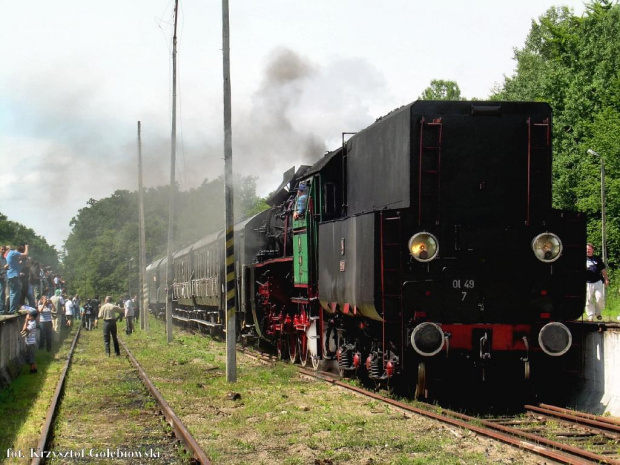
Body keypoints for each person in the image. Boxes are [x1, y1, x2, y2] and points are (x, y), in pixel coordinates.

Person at [585, 243, 609, 321]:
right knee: (588, 299)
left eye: (589, 249)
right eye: (586, 249)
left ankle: (598, 313)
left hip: (597, 281)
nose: (587, 250)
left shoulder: (597, 259)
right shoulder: (582, 259)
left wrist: (606, 279)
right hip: (587, 282)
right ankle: (590, 315)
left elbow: (603, 269)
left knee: (600, 298)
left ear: (592, 250)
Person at [5, 244, 28, 314]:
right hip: (13, 276)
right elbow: (25, 254)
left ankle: (12, 309)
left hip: (10, 276)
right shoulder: (14, 252)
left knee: (13, 293)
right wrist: (27, 247)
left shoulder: (10, 254)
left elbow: (15, 263)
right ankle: (13, 309)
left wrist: (19, 263)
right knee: (16, 293)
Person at [22, 308, 38, 373]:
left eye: (29, 315)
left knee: (31, 357)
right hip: (30, 342)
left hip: (31, 343)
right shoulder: (31, 321)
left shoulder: (32, 323)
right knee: (31, 356)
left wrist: (26, 320)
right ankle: (33, 369)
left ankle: (33, 370)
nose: (27, 316)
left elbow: (24, 329)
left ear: (32, 317)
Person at [0, 246, 7, 314]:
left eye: (4, 249)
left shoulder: (5, 259)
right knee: (1, 293)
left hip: (4, 277)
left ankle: (2, 308)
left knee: (2, 294)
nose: (3, 250)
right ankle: (1, 309)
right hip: (1, 276)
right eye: (2, 249)